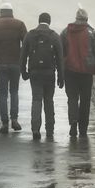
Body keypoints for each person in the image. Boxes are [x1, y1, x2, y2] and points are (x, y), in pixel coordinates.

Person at [19, 12, 64, 140]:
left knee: (36, 99)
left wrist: (23, 72)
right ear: (49, 22)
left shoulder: (30, 35)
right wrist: (61, 77)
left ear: (39, 21)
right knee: (49, 100)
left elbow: (22, 56)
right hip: (49, 73)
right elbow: (60, 58)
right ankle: (50, 129)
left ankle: (35, 129)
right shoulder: (54, 36)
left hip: (35, 73)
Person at [61, 5, 95, 137]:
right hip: (86, 72)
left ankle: (73, 123)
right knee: (85, 100)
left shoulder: (66, 31)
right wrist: (94, 61)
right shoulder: (91, 32)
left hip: (70, 71)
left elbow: (60, 49)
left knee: (72, 98)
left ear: (76, 18)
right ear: (86, 19)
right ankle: (83, 129)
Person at [0, 2, 27, 134]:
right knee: (14, 91)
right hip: (15, 63)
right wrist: (21, 57)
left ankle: (4, 123)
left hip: (1, 63)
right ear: (11, 12)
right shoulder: (19, 24)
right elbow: (26, 42)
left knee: (3, 93)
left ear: (0, 12)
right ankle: (14, 119)